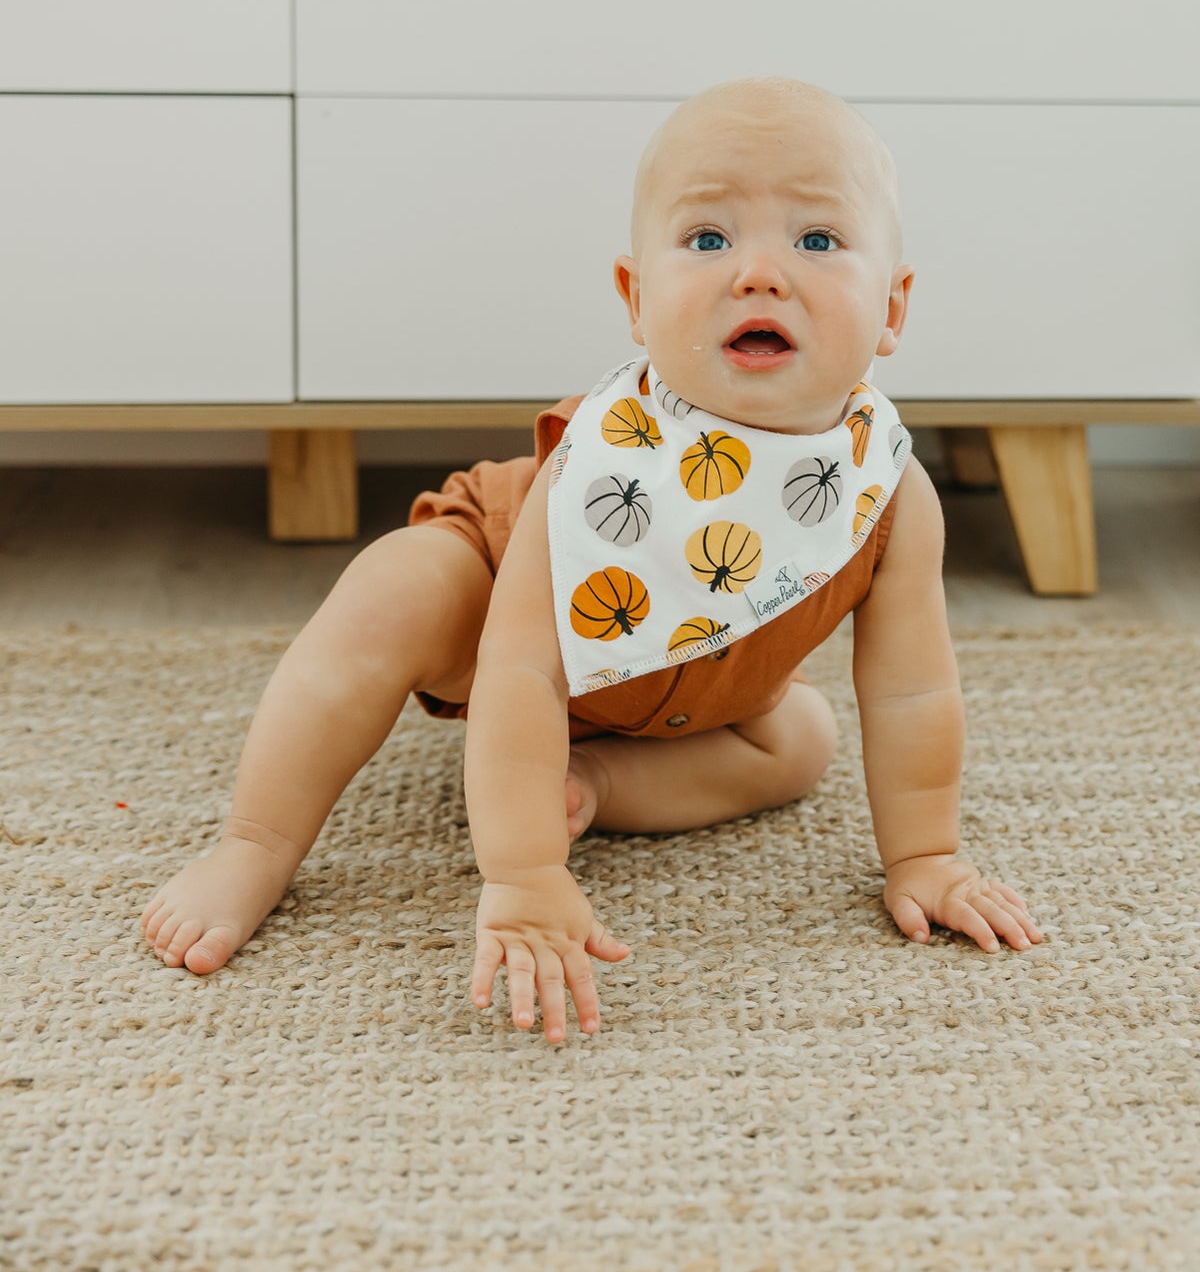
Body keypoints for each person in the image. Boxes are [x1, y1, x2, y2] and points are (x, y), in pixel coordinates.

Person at [140, 76, 1042, 1040]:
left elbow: (911, 693)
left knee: (801, 742)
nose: (761, 273)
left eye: (817, 241)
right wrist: (525, 878)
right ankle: (255, 841)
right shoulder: (599, 459)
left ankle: (600, 781)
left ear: (894, 308)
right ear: (636, 299)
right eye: (708, 239)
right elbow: (522, 666)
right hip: (497, 622)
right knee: (393, 588)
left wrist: (927, 855)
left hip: (698, 684)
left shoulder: (887, 492)